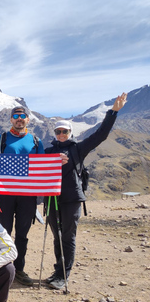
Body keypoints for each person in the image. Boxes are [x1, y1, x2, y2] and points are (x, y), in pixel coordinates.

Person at [43, 93, 127, 290]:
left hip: (71, 199)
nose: (61, 134)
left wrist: (113, 112)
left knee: (68, 237)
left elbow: (101, 135)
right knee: (57, 236)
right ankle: (57, 271)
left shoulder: (78, 149)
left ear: (70, 132)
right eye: (58, 131)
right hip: (52, 200)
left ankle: (64, 275)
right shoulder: (47, 152)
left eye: (64, 131)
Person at [0, 106, 44, 287]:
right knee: (3, 232)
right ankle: (3, 268)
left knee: (22, 234)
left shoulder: (36, 141)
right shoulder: (2, 138)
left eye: (22, 116)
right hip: (5, 194)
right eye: (16, 116)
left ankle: (19, 269)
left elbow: (42, 167)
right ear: (11, 120)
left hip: (28, 196)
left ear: (28, 120)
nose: (19, 119)